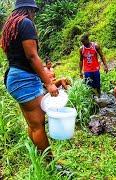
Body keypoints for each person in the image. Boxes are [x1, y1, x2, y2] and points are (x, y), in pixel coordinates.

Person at [1, 0, 58, 153]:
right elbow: (32, 56)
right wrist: (49, 83)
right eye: (34, 11)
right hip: (23, 79)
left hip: (15, 77)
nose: (34, 15)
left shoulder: (11, 25)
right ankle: (51, 164)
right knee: (38, 124)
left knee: (33, 124)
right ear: (28, 9)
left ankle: (40, 158)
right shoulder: (25, 23)